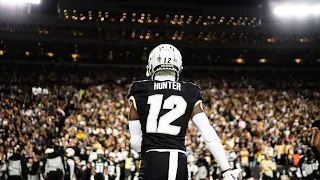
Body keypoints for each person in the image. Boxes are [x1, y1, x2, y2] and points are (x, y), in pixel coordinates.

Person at [127, 44, 241, 180]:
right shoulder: (189, 91)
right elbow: (207, 132)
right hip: (176, 160)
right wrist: (226, 169)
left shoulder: (139, 89)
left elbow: (135, 143)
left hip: (150, 161)